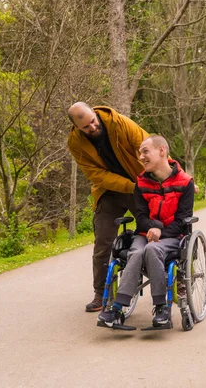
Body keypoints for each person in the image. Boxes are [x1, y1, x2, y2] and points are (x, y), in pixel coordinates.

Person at [98, 135, 195, 328]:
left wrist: (161, 232)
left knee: (153, 250)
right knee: (136, 251)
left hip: (174, 237)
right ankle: (116, 309)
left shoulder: (185, 183)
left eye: (145, 151)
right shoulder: (141, 183)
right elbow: (140, 217)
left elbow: (183, 220)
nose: (141, 157)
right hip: (144, 235)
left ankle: (162, 309)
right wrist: (152, 227)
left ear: (162, 151)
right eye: (140, 153)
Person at [67, 102, 149, 312]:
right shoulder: (75, 143)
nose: (92, 128)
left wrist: (174, 176)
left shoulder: (119, 123)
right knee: (103, 241)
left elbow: (149, 147)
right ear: (77, 128)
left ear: (94, 114)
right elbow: (96, 175)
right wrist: (130, 187)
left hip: (138, 183)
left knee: (154, 229)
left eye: (93, 122)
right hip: (109, 190)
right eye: (86, 127)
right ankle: (100, 293)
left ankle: (175, 281)